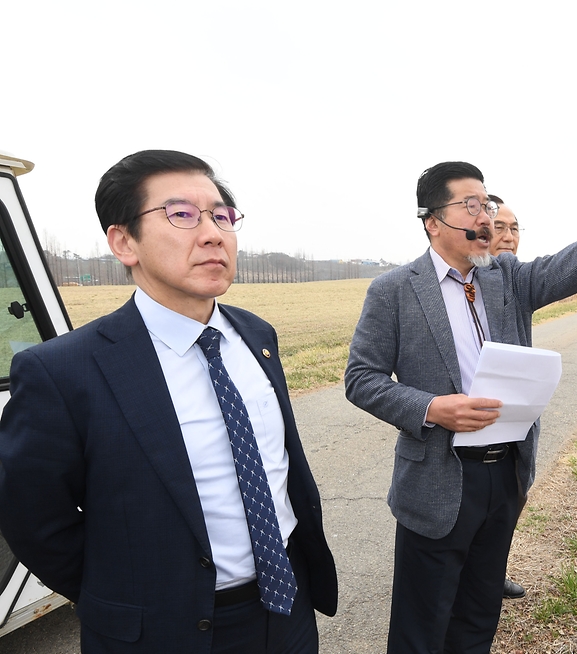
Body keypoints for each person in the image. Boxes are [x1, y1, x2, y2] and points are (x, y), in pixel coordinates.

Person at [344, 161, 577, 653]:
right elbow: (361, 379)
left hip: (504, 478)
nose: (488, 218)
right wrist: (432, 408)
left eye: (488, 204)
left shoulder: (506, 278)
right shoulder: (393, 292)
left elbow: (566, 267)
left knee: (478, 616)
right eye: (471, 206)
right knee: (420, 627)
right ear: (432, 220)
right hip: (436, 480)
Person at [0, 150, 337, 653]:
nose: (212, 233)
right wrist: (120, 595)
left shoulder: (255, 335)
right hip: (162, 629)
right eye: (181, 215)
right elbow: (33, 517)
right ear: (123, 241)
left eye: (222, 216)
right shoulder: (63, 370)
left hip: (286, 607)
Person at [486, 194, 526, 601]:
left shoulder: (516, 280)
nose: (509, 236)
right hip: (461, 432)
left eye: (515, 229)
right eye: (501, 227)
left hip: (512, 432)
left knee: (511, 500)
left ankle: (493, 571)